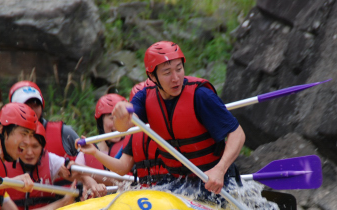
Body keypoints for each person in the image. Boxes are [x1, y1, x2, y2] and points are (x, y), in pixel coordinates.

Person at [113, 41, 245, 195]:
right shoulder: (145, 97)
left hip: (215, 179)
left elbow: (238, 133)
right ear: (152, 76)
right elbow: (125, 126)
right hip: (179, 182)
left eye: (179, 69)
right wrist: (122, 114)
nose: (175, 78)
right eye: (167, 72)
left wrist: (219, 169)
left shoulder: (201, 95)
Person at [77, 82, 168, 186]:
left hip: (174, 187)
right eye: (111, 118)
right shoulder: (134, 134)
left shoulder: (170, 126)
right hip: (147, 191)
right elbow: (121, 168)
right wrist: (94, 152)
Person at [4, 123, 107, 210]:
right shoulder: (3, 163)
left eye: (35, 146)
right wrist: (66, 201)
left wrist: (91, 184)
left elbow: (77, 173)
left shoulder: (50, 160)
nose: (30, 153)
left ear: (42, 148)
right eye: (24, 146)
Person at [8, 81, 79, 162]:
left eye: (36, 103)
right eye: (26, 105)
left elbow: (90, 163)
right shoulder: (4, 141)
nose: (31, 110)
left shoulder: (65, 133)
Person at [75, 94, 129, 172]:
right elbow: (77, 181)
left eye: (121, 118)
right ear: (100, 123)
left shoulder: (131, 149)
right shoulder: (85, 153)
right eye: (112, 118)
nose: (118, 124)